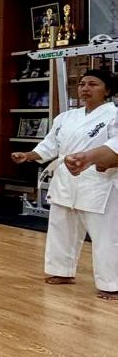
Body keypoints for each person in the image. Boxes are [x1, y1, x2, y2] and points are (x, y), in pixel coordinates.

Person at [12, 70, 118, 300]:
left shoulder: (114, 116)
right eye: (82, 84)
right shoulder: (66, 117)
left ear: (108, 90)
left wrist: (94, 159)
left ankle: (112, 283)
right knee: (61, 228)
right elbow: (50, 145)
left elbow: (115, 147)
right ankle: (62, 271)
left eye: (93, 84)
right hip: (65, 179)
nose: (85, 88)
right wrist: (29, 155)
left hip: (99, 181)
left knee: (106, 235)